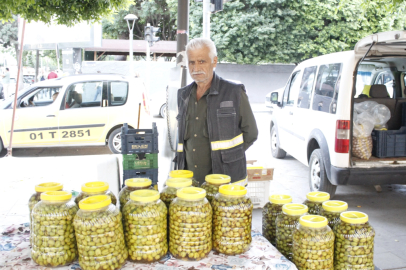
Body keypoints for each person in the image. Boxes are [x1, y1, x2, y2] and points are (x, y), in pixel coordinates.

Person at [176, 38, 258, 185]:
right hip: (191, 184)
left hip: (226, 183)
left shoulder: (234, 92)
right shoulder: (183, 95)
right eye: (192, 62)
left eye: (202, 61)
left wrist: (229, 157)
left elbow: (251, 133)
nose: (196, 68)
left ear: (214, 62)